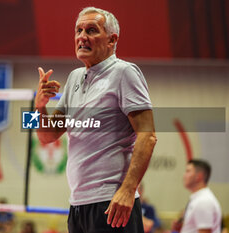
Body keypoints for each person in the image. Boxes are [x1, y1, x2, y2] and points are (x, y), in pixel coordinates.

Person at [35, 6, 156, 233]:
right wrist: (38, 106)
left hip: (112, 203)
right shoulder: (74, 77)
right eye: (78, 30)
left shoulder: (125, 73)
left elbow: (147, 136)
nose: (82, 37)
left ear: (112, 40)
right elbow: (46, 136)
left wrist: (128, 190)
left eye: (91, 30)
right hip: (78, 204)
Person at [171, 159, 222, 233]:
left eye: (188, 171)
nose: (184, 175)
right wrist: (180, 229)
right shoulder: (198, 198)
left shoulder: (204, 201)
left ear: (199, 176)